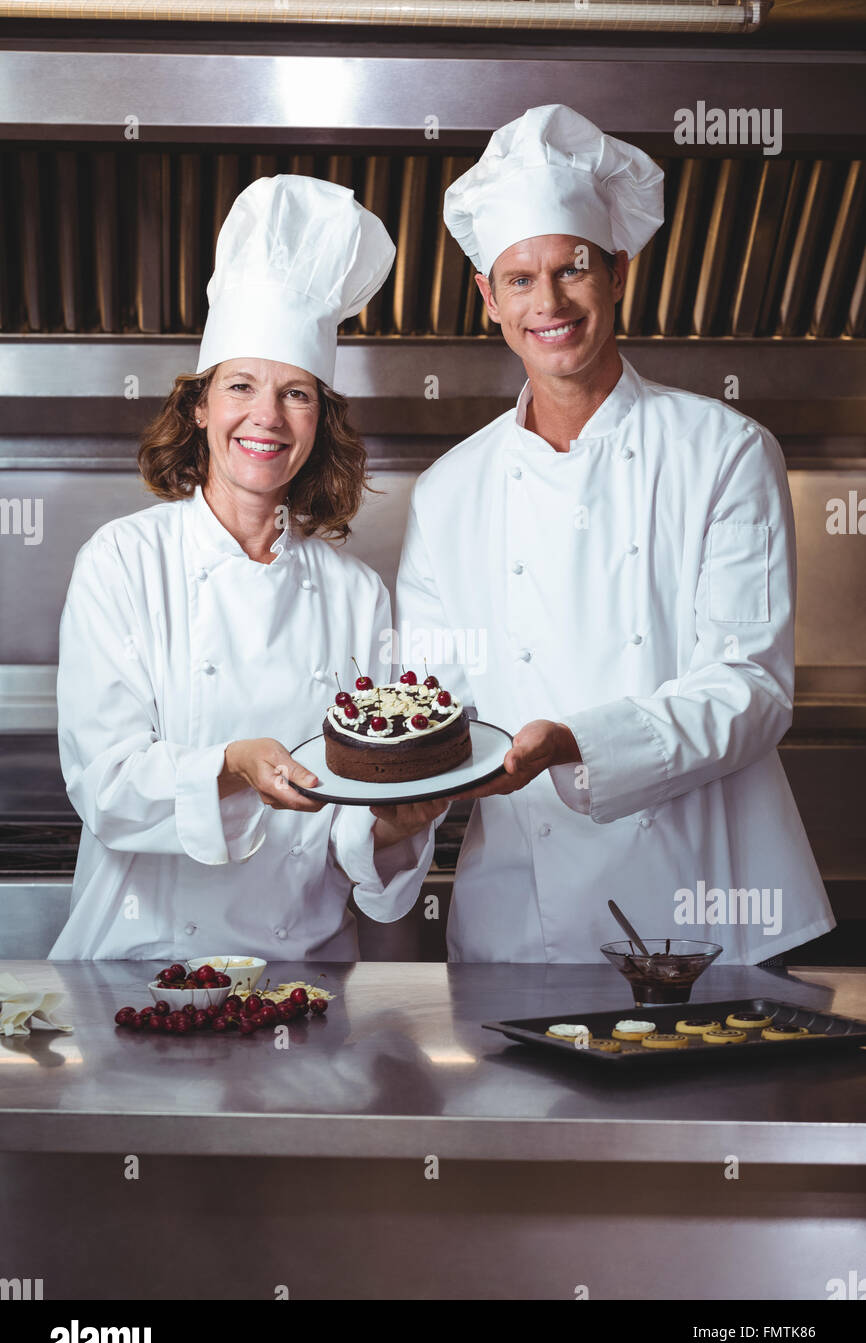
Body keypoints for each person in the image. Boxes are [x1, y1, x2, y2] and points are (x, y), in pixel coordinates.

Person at [395, 105, 835, 964]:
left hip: (706, 910)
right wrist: (401, 786)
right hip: (520, 924)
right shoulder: (449, 492)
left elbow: (751, 688)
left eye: (572, 269)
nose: (549, 302)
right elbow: (434, 704)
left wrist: (579, 744)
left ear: (619, 272)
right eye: (519, 279)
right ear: (488, 299)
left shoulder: (724, 450)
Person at [51, 175, 446, 961]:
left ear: (320, 420)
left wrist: (393, 824)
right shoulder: (125, 563)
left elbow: (349, 821)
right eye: (241, 387)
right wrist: (230, 767)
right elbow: (105, 786)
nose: (266, 418)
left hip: (303, 982)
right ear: (199, 406)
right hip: (143, 971)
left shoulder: (355, 594)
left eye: (295, 393)